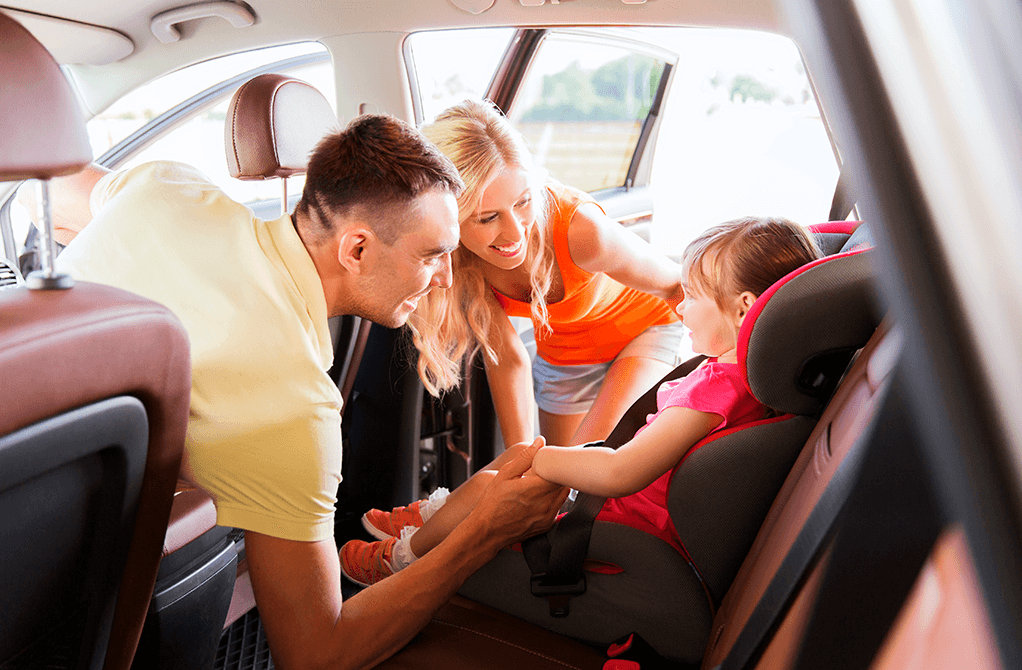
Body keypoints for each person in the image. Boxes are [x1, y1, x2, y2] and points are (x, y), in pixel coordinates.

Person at [49, 114, 569, 670]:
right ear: (356, 250)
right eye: (430, 254)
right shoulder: (296, 412)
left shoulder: (166, 188)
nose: (445, 276)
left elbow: (52, 192)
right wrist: (483, 533)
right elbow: (316, 655)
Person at [339, 216, 821, 585]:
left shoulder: (716, 388)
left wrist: (547, 462)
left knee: (509, 476)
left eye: (692, 296)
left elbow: (621, 472)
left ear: (743, 307)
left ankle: (403, 558)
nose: (678, 306)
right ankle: (426, 523)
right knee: (513, 465)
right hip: (628, 513)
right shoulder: (756, 382)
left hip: (621, 527)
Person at [408, 99, 688, 449]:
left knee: (584, 467)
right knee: (550, 482)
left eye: (523, 202)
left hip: (643, 327)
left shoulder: (582, 232)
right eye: (487, 218)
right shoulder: (462, 262)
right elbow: (508, 360)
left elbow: (679, 285)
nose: (515, 233)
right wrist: (518, 463)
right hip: (567, 349)